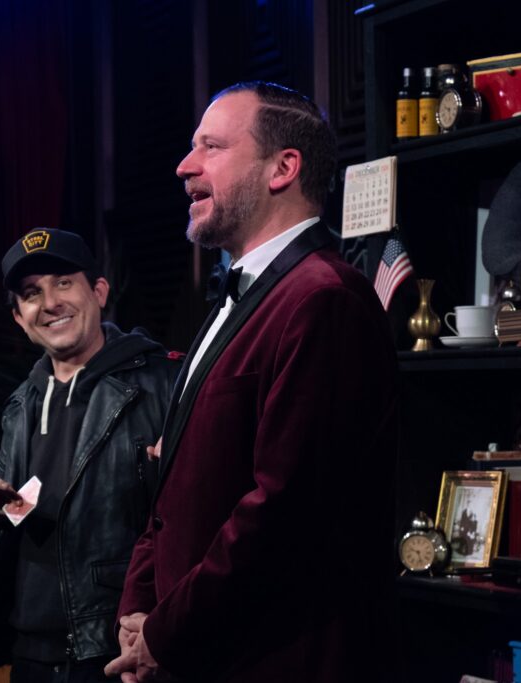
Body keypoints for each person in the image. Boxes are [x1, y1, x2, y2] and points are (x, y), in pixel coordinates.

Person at [105, 82, 399, 682]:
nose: (184, 166)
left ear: (282, 168)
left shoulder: (325, 299)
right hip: (201, 652)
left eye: (211, 147)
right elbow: (173, 489)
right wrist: (139, 606)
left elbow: (283, 512)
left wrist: (164, 631)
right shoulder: (235, 299)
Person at [0, 228, 181, 682]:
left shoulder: (162, 384)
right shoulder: (21, 405)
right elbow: (1, 527)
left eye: (63, 282)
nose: (50, 302)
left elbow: (191, 521)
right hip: (29, 653)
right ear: (20, 318)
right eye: (31, 293)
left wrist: (158, 623)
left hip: (116, 647)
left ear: (99, 291)